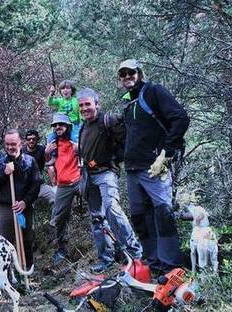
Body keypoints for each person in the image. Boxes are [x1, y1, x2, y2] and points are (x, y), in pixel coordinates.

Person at [117, 59, 190, 273]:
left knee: (163, 213)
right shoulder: (128, 102)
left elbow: (180, 118)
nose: (127, 77)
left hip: (154, 168)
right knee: (140, 216)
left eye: (131, 72)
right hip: (132, 170)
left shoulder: (153, 91)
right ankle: (155, 264)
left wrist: (166, 154)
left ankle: (172, 267)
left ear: (139, 73)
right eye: (123, 74)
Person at [77, 88, 143, 273]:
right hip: (88, 177)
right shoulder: (84, 127)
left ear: (96, 104)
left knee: (112, 209)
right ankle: (106, 259)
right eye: (81, 105)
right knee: (97, 219)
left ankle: (135, 253)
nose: (84, 108)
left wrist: (114, 160)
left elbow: (127, 142)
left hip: (106, 174)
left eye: (88, 104)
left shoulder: (108, 120)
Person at [0, 129, 41, 269]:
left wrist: (25, 202)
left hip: (24, 208)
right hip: (6, 208)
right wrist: (4, 173)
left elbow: (36, 186)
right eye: (7, 144)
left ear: (20, 143)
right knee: (3, 241)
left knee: (27, 239)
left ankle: (27, 271)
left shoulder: (30, 161)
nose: (10, 147)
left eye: (13, 144)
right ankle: (5, 273)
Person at [45, 113, 80, 265]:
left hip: (80, 180)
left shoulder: (75, 141)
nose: (58, 127)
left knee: (99, 212)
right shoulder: (53, 144)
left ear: (67, 126)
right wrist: (46, 153)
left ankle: (111, 247)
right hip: (63, 185)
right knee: (59, 219)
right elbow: (48, 163)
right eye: (55, 125)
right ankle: (61, 249)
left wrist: (80, 149)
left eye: (61, 124)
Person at [22, 129, 55, 218]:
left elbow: (50, 165)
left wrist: (54, 185)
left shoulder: (42, 149)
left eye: (34, 139)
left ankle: (55, 224)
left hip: (40, 185)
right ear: (26, 140)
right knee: (26, 210)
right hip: (26, 188)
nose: (31, 141)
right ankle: (27, 230)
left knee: (57, 197)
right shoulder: (21, 152)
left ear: (37, 140)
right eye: (29, 139)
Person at [47, 80, 81, 145]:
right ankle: (53, 153)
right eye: (63, 88)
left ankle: (78, 152)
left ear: (72, 90)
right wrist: (51, 93)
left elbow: (80, 114)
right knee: (50, 138)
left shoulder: (76, 101)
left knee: (75, 138)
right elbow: (50, 103)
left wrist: (81, 124)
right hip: (61, 124)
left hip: (73, 124)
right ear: (60, 91)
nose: (65, 90)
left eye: (68, 88)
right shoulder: (60, 101)